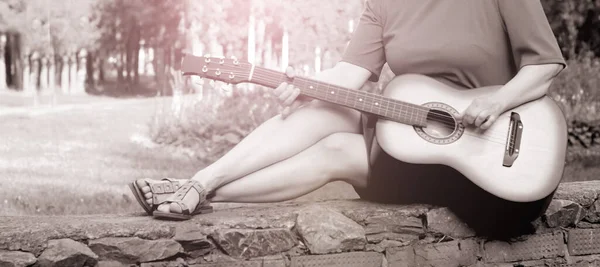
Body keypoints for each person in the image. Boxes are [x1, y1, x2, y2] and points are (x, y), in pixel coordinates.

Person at [130, 0, 566, 237]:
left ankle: (196, 188)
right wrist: (297, 83)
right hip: (424, 152)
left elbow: (545, 65)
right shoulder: (382, 4)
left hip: (502, 177)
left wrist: (497, 102)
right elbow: (347, 77)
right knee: (322, 105)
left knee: (339, 151)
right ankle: (200, 185)